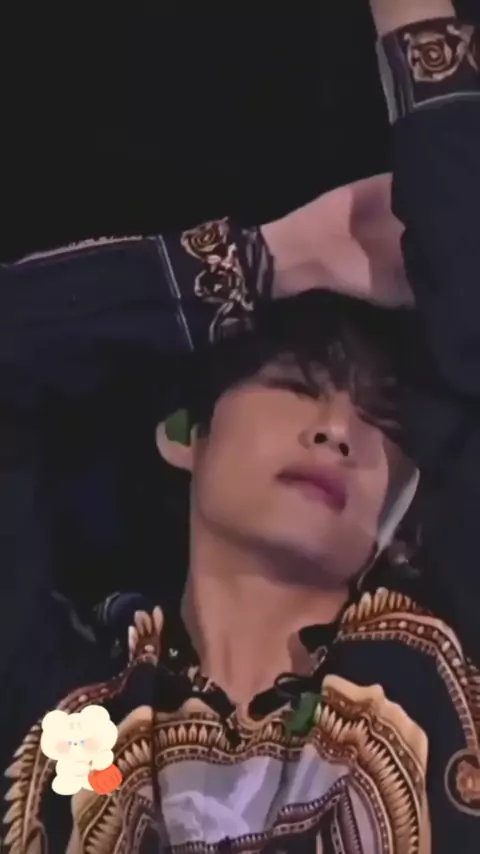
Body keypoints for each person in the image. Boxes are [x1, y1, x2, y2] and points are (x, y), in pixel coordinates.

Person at [2, 1, 480, 852]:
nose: (337, 433)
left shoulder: (450, 671)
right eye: (297, 386)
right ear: (186, 434)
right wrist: (266, 262)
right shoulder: (70, 720)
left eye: (382, 421)